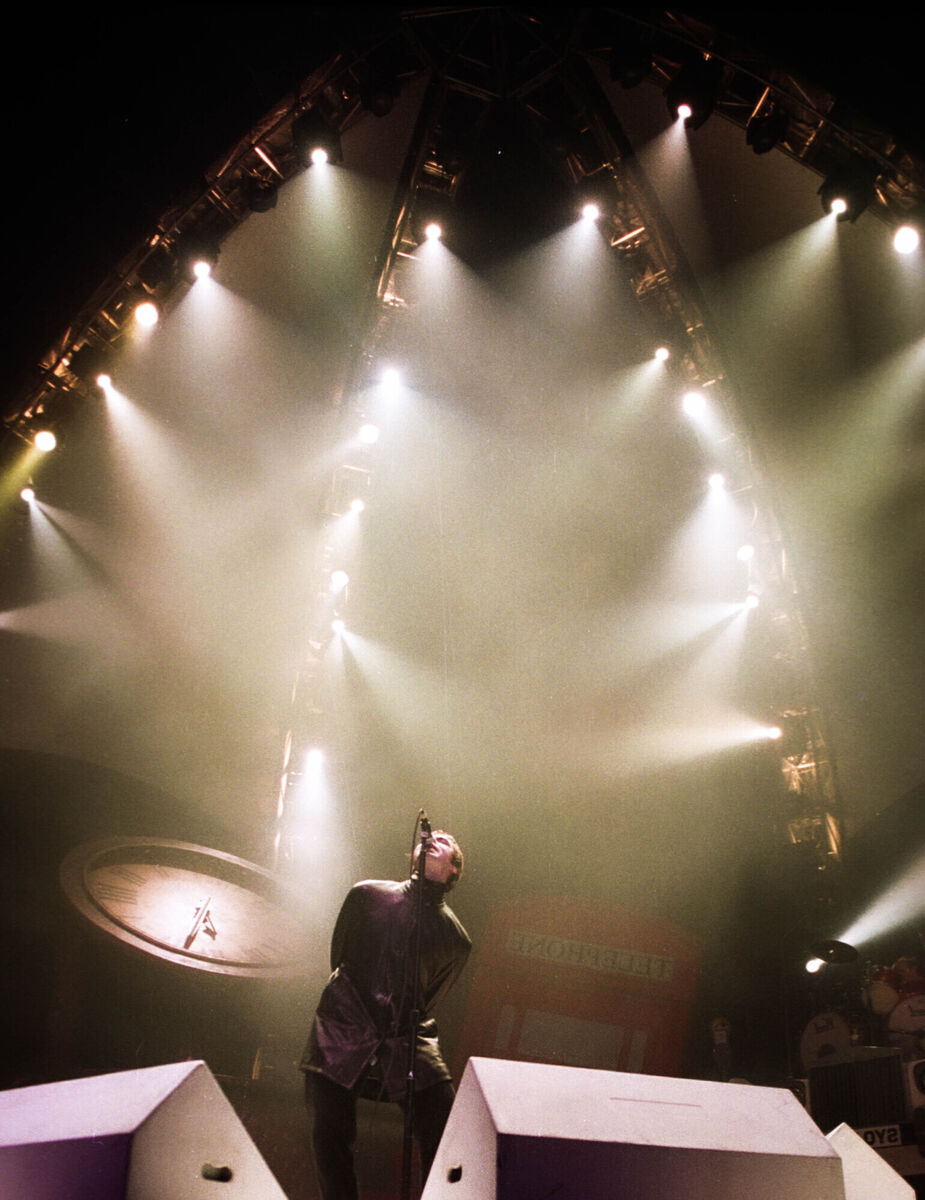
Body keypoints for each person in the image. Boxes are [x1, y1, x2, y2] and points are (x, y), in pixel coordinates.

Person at [301, 829, 471, 1200]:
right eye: (430, 838)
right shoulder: (366, 895)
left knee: (444, 1126)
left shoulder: (456, 938)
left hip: (407, 1034)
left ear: (454, 870)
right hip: (343, 1026)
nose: (433, 839)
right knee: (329, 1129)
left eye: (444, 842)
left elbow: (431, 994)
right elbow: (340, 955)